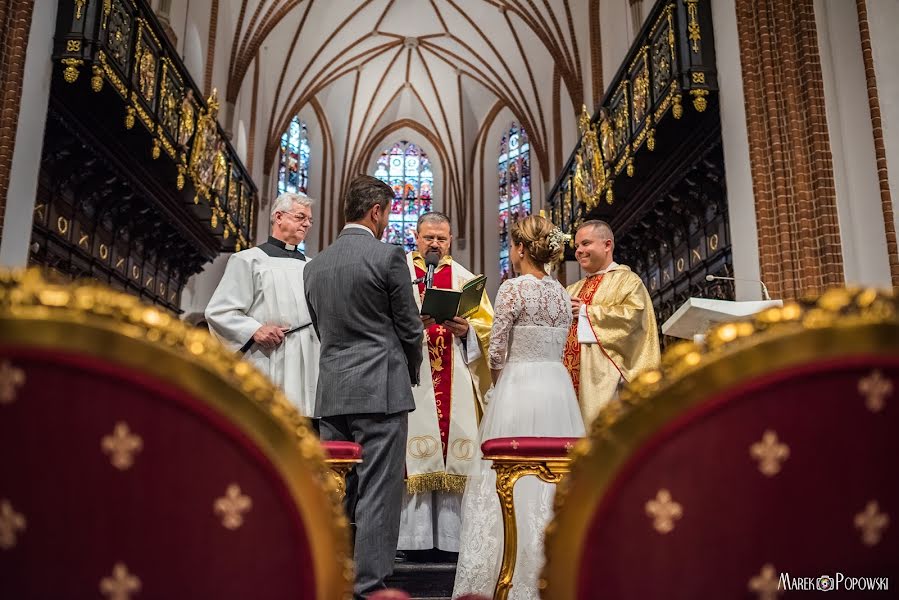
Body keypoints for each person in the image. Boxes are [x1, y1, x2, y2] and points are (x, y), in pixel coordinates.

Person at [303, 175, 423, 600]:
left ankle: (329, 577)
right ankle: (368, 586)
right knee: (378, 489)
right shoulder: (388, 256)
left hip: (333, 392)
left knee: (336, 492)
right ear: (376, 212)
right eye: (387, 213)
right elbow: (410, 327)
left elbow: (321, 328)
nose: (387, 222)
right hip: (381, 389)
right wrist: (410, 368)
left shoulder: (313, 265)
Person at [453, 215, 585, 599]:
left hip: (519, 385)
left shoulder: (512, 289)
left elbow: (496, 351)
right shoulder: (562, 292)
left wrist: (497, 385)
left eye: (512, 246)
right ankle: (555, 568)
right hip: (557, 388)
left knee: (506, 476)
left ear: (521, 249)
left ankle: (505, 574)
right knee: (556, 477)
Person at [398, 212, 493, 554]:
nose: (435, 243)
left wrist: (468, 332)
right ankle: (414, 541)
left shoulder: (467, 280)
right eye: (429, 237)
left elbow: (489, 331)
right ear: (416, 236)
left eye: (442, 238)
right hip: (414, 375)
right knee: (414, 450)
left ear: (450, 239)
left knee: (458, 450)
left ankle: (454, 541)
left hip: (456, 374)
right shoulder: (399, 273)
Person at [205, 192, 319, 416]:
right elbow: (219, 311)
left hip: (307, 363)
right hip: (267, 359)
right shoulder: (248, 260)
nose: (307, 224)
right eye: (300, 217)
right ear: (278, 217)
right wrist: (255, 330)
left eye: (310, 220)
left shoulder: (312, 267)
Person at [564, 220, 661, 426]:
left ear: (607, 245)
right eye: (577, 246)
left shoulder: (628, 281)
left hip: (604, 383)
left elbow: (633, 319)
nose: (579, 251)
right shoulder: (572, 289)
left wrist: (585, 312)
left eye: (586, 243)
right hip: (568, 381)